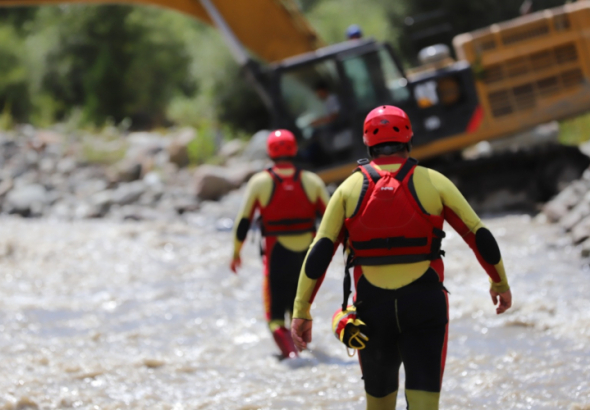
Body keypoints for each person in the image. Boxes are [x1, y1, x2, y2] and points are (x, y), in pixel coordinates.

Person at [291, 105, 512, 409]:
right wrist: (499, 283)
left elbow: (319, 253)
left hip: (371, 308)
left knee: (379, 405)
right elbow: (479, 236)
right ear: (409, 138)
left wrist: (301, 310)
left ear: (367, 144)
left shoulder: (347, 189)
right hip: (425, 304)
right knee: (424, 404)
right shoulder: (434, 181)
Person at [231, 129, 329, 360]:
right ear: (294, 150)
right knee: (300, 308)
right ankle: (306, 352)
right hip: (307, 258)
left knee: (274, 316)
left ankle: (291, 357)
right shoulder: (312, 180)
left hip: (277, 257)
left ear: (269, 152)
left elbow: (243, 221)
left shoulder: (260, 182)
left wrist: (235, 253)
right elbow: (332, 220)